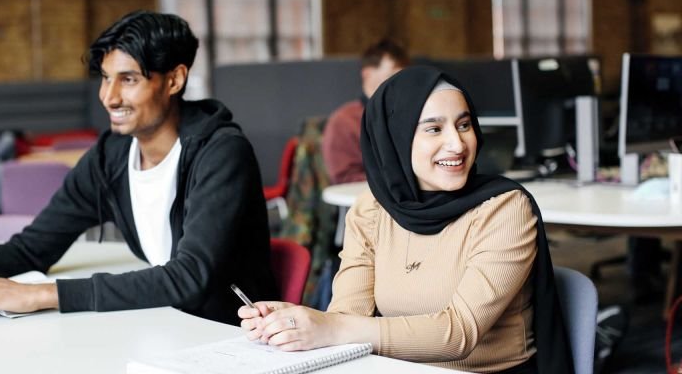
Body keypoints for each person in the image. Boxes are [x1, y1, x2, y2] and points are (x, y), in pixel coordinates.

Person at [0, 10, 278, 325]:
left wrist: (42, 295)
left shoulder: (221, 153)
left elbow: (190, 277)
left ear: (175, 80)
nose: (109, 97)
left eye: (128, 80)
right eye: (105, 78)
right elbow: (34, 246)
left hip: (223, 331)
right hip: (157, 320)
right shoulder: (110, 156)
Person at [239, 66, 573, 373]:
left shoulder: (504, 209)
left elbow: (459, 333)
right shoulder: (371, 209)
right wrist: (294, 321)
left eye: (464, 124)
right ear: (395, 138)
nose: (457, 144)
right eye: (434, 129)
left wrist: (331, 327)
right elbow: (348, 317)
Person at [321, 38, 408, 184]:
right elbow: (345, 177)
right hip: (367, 201)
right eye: (394, 72)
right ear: (367, 73)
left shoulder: (408, 114)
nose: (401, 80)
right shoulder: (344, 121)